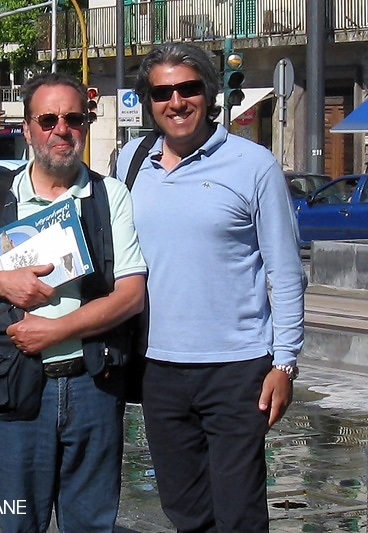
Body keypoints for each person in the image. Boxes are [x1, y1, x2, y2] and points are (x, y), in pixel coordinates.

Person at [115, 42, 306, 532]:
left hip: (238, 369)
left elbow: (285, 272)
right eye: (162, 92)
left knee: (239, 512)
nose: (176, 102)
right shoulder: (130, 164)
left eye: (188, 88)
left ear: (208, 92)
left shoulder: (253, 164)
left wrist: (284, 363)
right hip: (158, 369)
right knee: (185, 511)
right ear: (149, 101)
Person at [0, 72, 147, 532]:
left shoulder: (109, 195)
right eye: (47, 119)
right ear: (26, 129)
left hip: (93, 386)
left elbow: (131, 295)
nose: (61, 129)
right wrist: (4, 284)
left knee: (91, 524)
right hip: (15, 386)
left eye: (73, 118)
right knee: (20, 526)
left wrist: (57, 330)